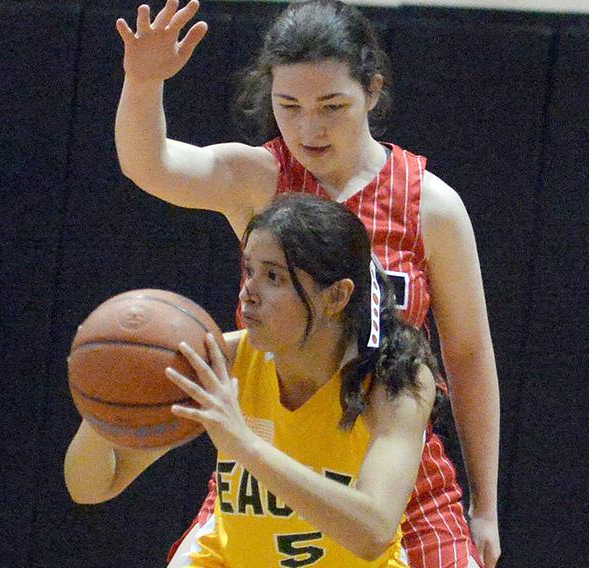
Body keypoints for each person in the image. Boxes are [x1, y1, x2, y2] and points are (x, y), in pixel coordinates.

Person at [113, 0, 500, 566]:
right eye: (288, 106)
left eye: (331, 106)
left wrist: (485, 504)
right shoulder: (260, 178)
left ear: (372, 91)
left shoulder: (430, 205)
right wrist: (142, 83)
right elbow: (152, 166)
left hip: (393, 478)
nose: (308, 127)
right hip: (270, 469)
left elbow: (467, 352)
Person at [66, 194, 443, 566]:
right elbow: (92, 486)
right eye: (249, 270)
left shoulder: (396, 380)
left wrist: (245, 445)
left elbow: (373, 531)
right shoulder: (221, 361)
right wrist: (103, 399)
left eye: (273, 276)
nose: (249, 293)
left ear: (336, 296)